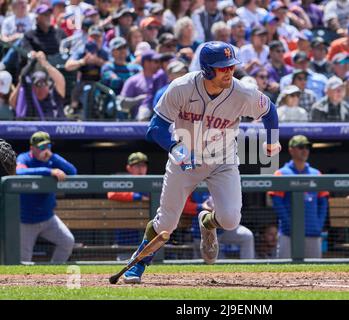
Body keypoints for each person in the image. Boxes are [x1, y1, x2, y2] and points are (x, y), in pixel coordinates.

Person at [122, 41, 281, 284]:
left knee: (230, 219)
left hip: (223, 160)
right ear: (207, 69)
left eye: (231, 66)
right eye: (222, 67)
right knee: (167, 221)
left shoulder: (242, 92)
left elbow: (269, 111)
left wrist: (272, 141)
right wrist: (178, 149)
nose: (229, 71)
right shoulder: (182, 87)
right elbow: (155, 128)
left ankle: (208, 222)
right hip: (185, 158)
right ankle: (138, 264)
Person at [16, 131, 77, 263]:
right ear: (32, 148)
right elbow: (19, 172)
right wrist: (49, 171)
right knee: (23, 260)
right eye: (42, 147)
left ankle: (53, 272)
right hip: (26, 221)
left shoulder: (51, 159)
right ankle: (24, 283)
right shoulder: (24, 158)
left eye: (48, 146)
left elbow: (73, 171)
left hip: (48, 218)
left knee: (67, 242)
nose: (46, 150)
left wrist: (53, 157)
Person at [268, 135, 328, 258]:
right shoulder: (281, 173)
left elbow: (323, 203)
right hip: (288, 234)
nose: (305, 150)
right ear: (291, 150)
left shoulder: (316, 174)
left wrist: (318, 225)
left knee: (315, 273)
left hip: (312, 232)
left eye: (307, 147)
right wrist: (290, 225)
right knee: (285, 273)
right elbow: (277, 204)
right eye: (301, 147)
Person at [183, 192, 256, 260]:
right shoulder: (194, 183)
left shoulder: (222, 182)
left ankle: (248, 265)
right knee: (212, 262)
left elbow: (235, 203)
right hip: (202, 233)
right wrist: (200, 206)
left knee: (246, 236)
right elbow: (184, 206)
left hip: (224, 229)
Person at [107, 152, 149, 260]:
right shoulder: (122, 180)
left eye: (143, 165)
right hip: (125, 239)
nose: (141, 169)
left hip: (146, 239)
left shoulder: (151, 182)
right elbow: (111, 194)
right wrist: (137, 197)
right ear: (129, 168)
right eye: (137, 166)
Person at [11, 51, 66, 120]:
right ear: (33, 87)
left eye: (43, 83)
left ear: (48, 85)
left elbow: (60, 80)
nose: (40, 87)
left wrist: (45, 63)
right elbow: (12, 102)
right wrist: (22, 81)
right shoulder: (29, 96)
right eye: (37, 85)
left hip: (55, 129)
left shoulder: (54, 95)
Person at [119, 49, 167, 120]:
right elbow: (122, 104)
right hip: (140, 122)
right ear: (146, 63)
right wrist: (139, 99)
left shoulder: (162, 78)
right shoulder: (133, 80)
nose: (159, 65)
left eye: (160, 62)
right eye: (156, 61)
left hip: (162, 119)